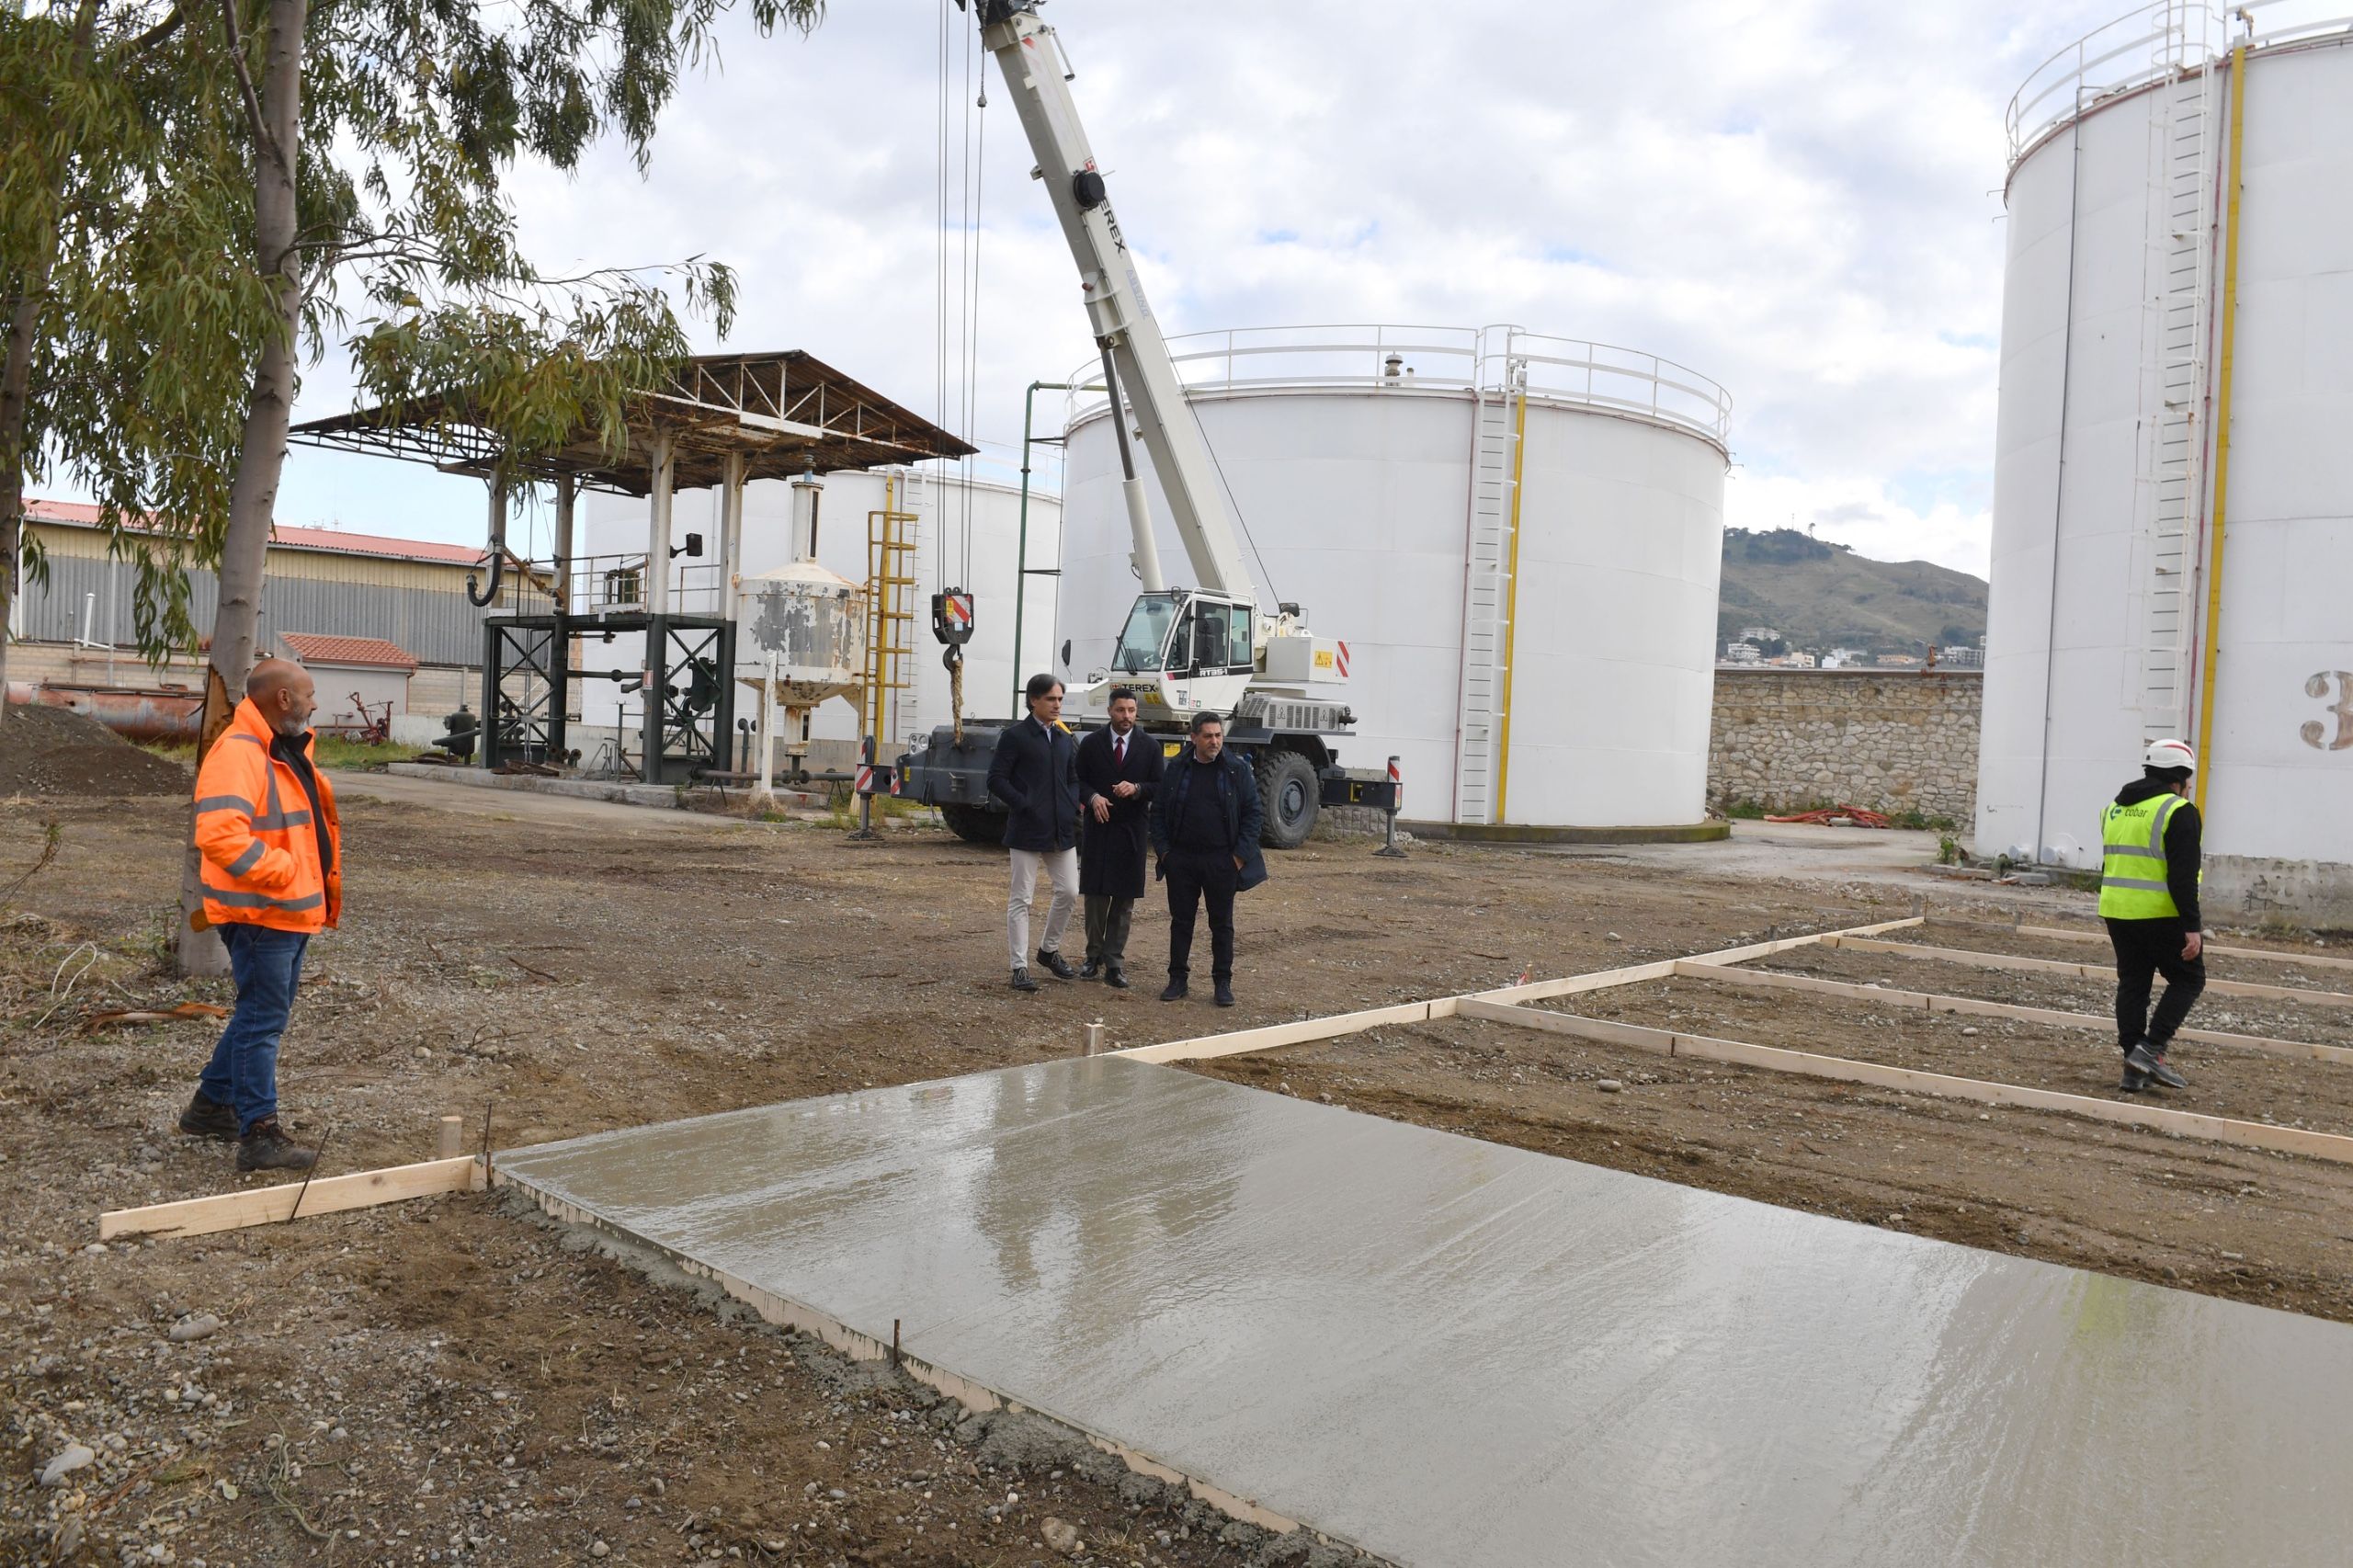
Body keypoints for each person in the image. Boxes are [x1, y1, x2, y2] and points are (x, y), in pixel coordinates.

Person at [179, 658, 342, 1171]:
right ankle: (258, 1133)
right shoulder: (240, 752)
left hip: (285, 912)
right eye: (309, 694)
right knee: (262, 1020)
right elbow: (219, 835)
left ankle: (211, 1106)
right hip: (262, 915)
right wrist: (285, 873)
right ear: (283, 699)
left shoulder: (282, 748)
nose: (315, 703)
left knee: (260, 1014)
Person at [2099, 738, 2206, 1093]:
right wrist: (2192, 926)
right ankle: (2150, 1049)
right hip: (2160, 912)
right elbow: (2182, 876)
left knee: (2133, 983)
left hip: (2117, 910)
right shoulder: (2178, 811)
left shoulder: (2114, 809)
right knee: (2189, 979)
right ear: (2180, 778)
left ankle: (2133, 1065)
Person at [1147, 711, 1266, 1007]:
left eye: (1218, 735)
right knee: (1181, 922)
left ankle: (1222, 983)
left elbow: (1253, 814)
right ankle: (1177, 980)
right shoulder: (1177, 769)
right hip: (1182, 860)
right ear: (1194, 738)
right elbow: (1158, 812)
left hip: (1222, 861)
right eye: (1208, 736)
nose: (1214, 741)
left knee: (1222, 925)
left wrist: (1238, 858)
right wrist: (1165, 853)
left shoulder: (1237, 770)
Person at [988, 673, 1082, 993]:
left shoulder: (1064, 738)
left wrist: (1070, 804)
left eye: (1060, 699)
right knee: (1022, 898)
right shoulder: (1015, 737)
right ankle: (1019, 967)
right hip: (1026, 829)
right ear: (1033, 701)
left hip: (1061, 828)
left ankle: (1048, 951)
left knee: (1069, 891)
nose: (1057, 705)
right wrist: (1024, 803)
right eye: (1051, 699)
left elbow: (1073, 777)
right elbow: (996, 778)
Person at [1074, 687, 1164, 989]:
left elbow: (1160, 785)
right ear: (1109, 711)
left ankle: (1114, 961)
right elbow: (1077, 780)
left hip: (1131, 830)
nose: (1126, 716)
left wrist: (1137, 789)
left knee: (1124, 899)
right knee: (1096, 897)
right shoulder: (1091, 744)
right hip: (1099, 827)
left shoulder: (1150, 747)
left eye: (1131, 711)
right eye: (1121, 710)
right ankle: (1092, 956)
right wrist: (1092, 797)